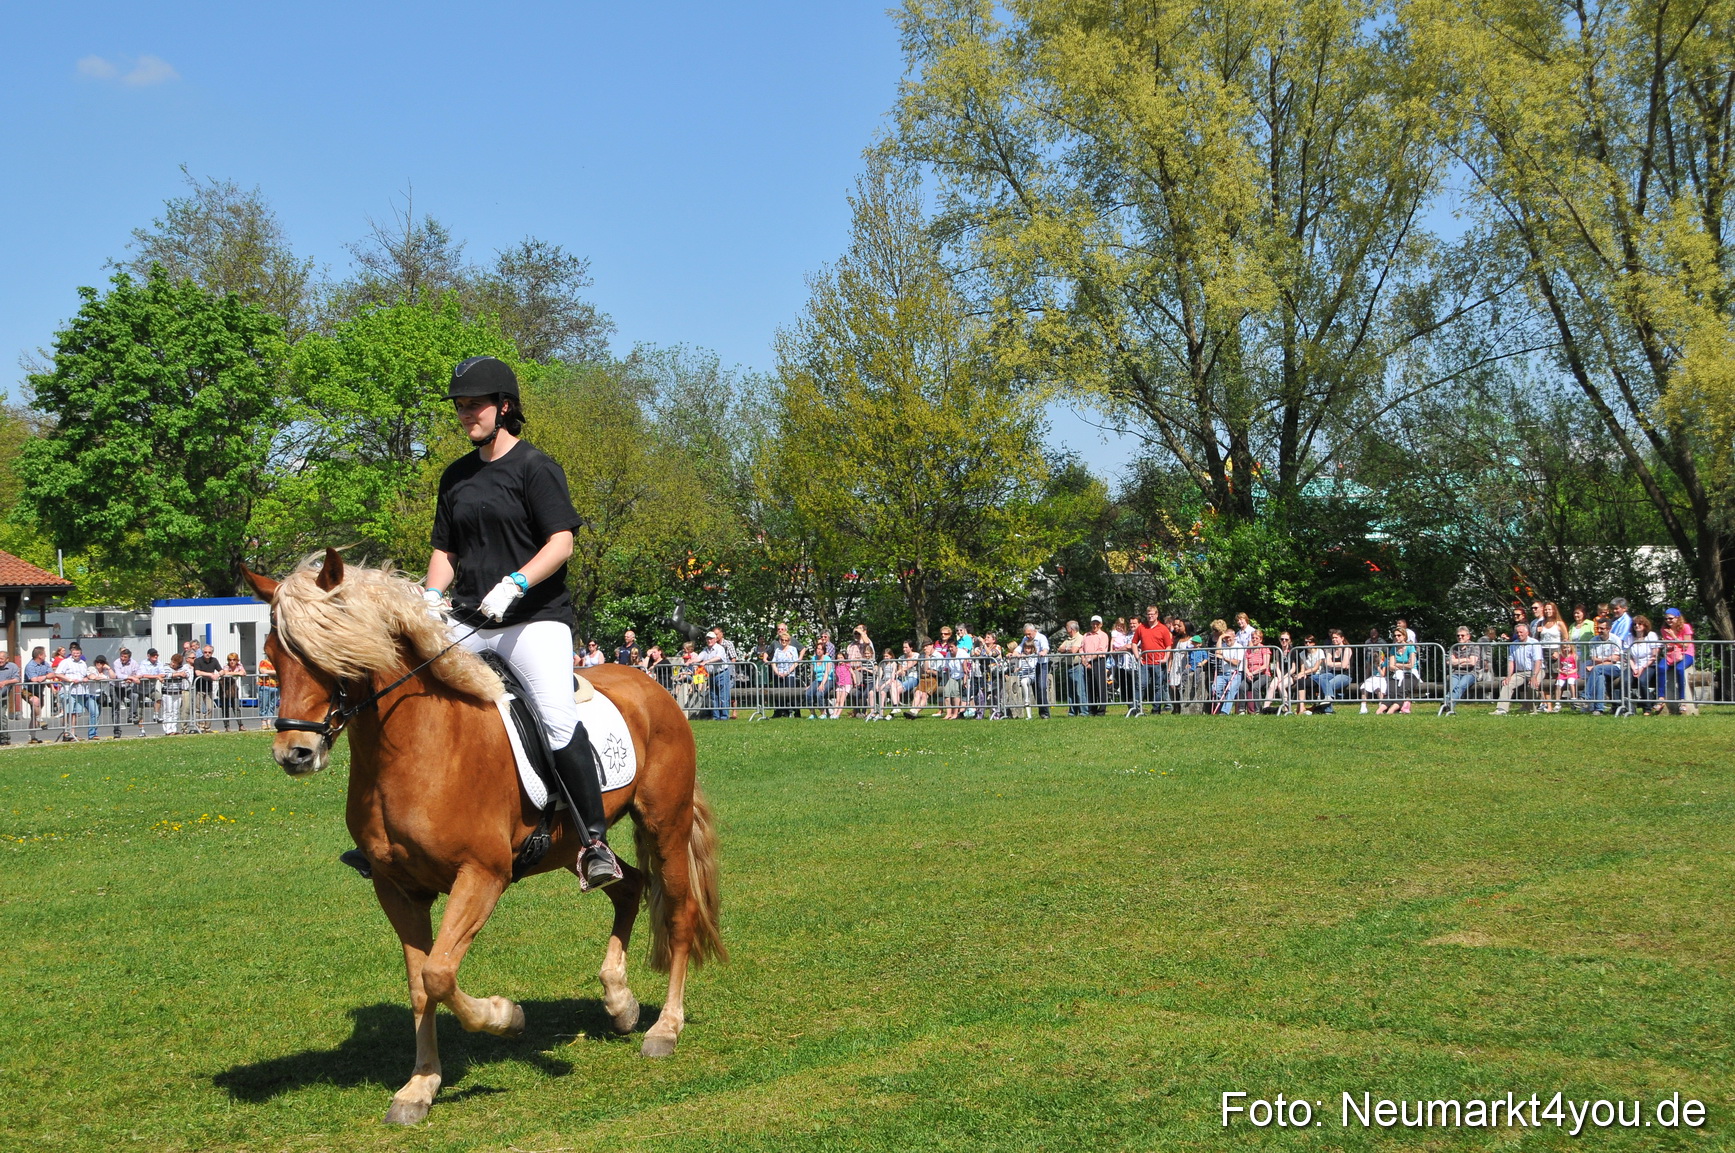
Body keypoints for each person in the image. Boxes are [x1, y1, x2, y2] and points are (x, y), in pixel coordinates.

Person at [414, 355, 619, 890]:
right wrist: (431, 598)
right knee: (415, 703)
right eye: (459, 406)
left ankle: (594, 841)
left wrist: (516, 583)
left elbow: (561, 542)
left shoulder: (535, 467)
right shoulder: (455, 476)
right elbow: (445, 550)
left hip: (533, 620)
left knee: (554, 717)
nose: (465, 414)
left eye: (474, 405)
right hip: (468, 619)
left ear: (505, 407)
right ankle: (399, 838)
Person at [1129, 605, 1171, 717]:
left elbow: (1168, 646)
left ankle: (1156, 709)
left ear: (1157, 615)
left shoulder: (1163, 629)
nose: (1150, 616)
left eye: (1152, 614)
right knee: (1141, 685)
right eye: (1148, 614)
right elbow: (1134, 643)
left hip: (1158, 662)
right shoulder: (1141, 628)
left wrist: (1166, 658)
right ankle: (1136, 708)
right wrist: (1138, 656)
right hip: (1145, 662)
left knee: (1158, 686)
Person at [1493, 623, 1544, 714]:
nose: (1519, 634)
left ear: (1527, 632)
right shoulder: (1513, 644)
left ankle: (1533, 709)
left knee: (1532, 685)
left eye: (1521, 632)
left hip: (1536, 670)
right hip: (1520, 672)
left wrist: (1534, 676)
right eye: (1517, 632)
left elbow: (1538, 661)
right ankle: (1501, 709)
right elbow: (1511, 662)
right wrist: (1508, 676)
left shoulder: (1534, 643)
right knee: (1507, 684)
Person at [1658, 608, 1697, 715]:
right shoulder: (1664, 629)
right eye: (1666, 619)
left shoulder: (1685, 627)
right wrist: (1667, 645)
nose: (1668, 621)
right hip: (1672, 654)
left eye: (1670, 618)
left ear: (1677, 618)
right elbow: (1668, 645)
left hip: (1686, 654)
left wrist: (1674, 637)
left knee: (1680, 669)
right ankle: (1660, 698)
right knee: (1661, 667)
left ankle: (1682, 700)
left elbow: (1686, 645)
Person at [1584, 618, 1623, 714]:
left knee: (1597, 669)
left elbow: (1616, 660)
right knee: (1600, 677)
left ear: (1609, 628)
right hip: (1599, 669)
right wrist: (1607, 659)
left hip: (1615, 668)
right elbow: (1593, 659)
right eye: (1598, 628)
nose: (1599, 631)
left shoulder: (1615, 640)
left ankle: (1585, 696)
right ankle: (1599, 709)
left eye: (1602, 628)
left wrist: (1598, 664)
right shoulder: (1593, 640)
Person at [57, 644, 92, 741]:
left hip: (79, 691)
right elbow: (58, 674)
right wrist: (69, 679)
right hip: (68, 690)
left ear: (81, 654)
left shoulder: (83, 663)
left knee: (75, 713)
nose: (76, 655)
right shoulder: (65, 662)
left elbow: (85, 675)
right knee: (67, 712)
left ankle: (72, 733)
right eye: (74, 653)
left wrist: (85, 678)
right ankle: (65, 733)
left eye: (78, 653)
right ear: (71, 653)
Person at [1313, 629, 1352, 712]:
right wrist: (1340, 664)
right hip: (1332, 673)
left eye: (1336, 637)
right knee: (1322, 677)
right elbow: (1328, 663)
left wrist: (1334, 664)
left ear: (1342, 638)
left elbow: (1344, 665)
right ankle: (1328, 704)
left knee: (1328, 684)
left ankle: (1327, 710)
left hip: (1345, 675)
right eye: (1333, 638)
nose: (1334, 639)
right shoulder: (1331, 649)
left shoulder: (1347, 649)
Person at [1079, 615, 1110, 715]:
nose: (1095, 625)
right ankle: (1092, 709)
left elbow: (1101, 650)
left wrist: (1089, 659)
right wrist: (1084, 659)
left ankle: (1101, 710)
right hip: (1087, 662)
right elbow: (1081, 648)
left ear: (1101, 624)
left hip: (1098, 661)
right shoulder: (1086, 635)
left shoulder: (1103, 635)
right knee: (1090, 685)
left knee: (1100, 685)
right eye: (1093, 623)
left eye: (1097, 623)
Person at [1628, 615, 1660, 707]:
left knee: (1642, 681)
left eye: (1639, 624)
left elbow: (1654, 656)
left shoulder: (1651, 635)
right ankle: (1628, 707)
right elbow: (1629, 656)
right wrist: (1634, 668)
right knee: (1625, 680)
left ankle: (1647, 707)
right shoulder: (1629, 637)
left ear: (1645, 625)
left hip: (1649, 665)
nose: (1637, 626)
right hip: (1634, 665)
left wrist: (1642, 668)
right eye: (1634, 624)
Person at [1447, 626, 1483, 705]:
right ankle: (1447, 705)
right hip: (1456, 673)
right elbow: (1449, 662)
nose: (1460, 637)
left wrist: (1457, 663)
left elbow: (1472, 662)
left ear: (1468, 636)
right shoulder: (1454, 647)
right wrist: (1465, 660)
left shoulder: (1474, 646)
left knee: (1460, 686)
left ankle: (1447, 705)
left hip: (1471, 673)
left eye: (1462, 635)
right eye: (1458, 635)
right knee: (1451, 687)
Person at [22, 645, 51, 743]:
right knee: (36, 701)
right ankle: (40, 719)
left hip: (39, 691)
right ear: (40, 655)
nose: (46, 656)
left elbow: (52, 674)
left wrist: (43, 677)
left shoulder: (45, 664)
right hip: (28, 691)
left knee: (34, 713)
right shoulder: (30, 665)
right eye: (44, 654)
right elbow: (34, 679)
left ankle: (32, 737)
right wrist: (44, 677)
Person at [1023, 623, 1051, 718]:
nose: (1027, 636)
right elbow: (1020, 647)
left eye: (1029, 634)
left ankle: (1045, 713)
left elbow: (1046, 647)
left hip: (1041, 664)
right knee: (1036, 689)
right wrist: (1014, 653)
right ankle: (1041, 712)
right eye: (1026, 634)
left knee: (1041, 687)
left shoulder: (1041, 637)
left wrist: (1044, 652)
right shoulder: (1025, 639)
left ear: (1034, 631)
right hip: (1031, 667)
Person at [1056, 621, 1084, 716]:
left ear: (1071, 629)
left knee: (1079, 690)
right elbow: (1059, 649)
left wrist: (1067, 649)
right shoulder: (1068, 639)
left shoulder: (1080, 637)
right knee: (1071, 691)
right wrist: (1069, 648)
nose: (1065, 629)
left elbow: (1074, 650)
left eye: (1066, 627)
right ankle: (1072, 712)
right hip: (1068, 666)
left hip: (1077, 666)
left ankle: (1083, 711)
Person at [192, 644, 222, 732]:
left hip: (209, 688)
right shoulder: (198, 660)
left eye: (209, 652)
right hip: (198, 688)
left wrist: (217, 675)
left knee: (209, 708)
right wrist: (210, 674)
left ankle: (207, 727)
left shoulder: (214, 660)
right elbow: (197, 672)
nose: (207, 654)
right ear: (202, 652)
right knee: (198, 709)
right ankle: (200, 726)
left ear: (212, 653)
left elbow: (222, 670)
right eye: (205, 652)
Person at [160, 652, 191, 734]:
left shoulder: (182, 668)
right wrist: (176, 674)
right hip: (167, 693)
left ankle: (173, 729)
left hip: (178, 692)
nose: (173, 664)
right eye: (172, 662)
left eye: (175, 663)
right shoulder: (165, 667)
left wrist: (181, 674)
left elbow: (187, 674)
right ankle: (167, 730)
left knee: (175, 711)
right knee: (168, 711)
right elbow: (164, 675)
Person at [219, 652, 248, 732]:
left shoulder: (239, 665)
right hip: (224, 687)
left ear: (237, 660)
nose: (232, 661)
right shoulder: (226, 666)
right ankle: (227, 726)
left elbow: (243, 672)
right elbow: (226, 672)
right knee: (225, 708)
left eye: (234, 660)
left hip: (233, 687)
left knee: (236, 707)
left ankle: (240, 725)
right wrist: (237, 673)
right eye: (230, 660)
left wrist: (234, 673)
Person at [255, 651, 278, 730]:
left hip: (276, 686)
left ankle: (269, 722)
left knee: (272, 705)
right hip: (265, 686)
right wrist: (276, 672)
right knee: (264, 704)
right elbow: (263, 671)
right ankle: (263, 722)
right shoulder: (264, 662)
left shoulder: (277, 663)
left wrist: (271, 673)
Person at [0, 651, 19, 746]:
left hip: (2, 696)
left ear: (7, 659)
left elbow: (17, 679)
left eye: (1, 658)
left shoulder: (12, 667)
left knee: (1, 716)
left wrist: (5, 682)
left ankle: (4, 738)